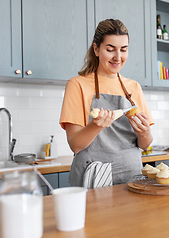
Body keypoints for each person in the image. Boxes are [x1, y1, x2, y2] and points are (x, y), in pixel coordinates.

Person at [59, 19, 154, 187]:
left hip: (131, 177)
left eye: (123, 50)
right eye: (110, 50)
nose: (118, 57)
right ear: (96, 49)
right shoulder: (77, 85)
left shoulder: (134, 87)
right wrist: (97, 125)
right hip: (93, 177)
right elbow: (75, 145)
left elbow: (144, 144)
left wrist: (145, 133)